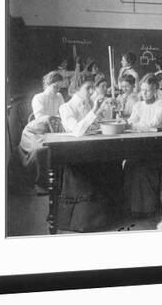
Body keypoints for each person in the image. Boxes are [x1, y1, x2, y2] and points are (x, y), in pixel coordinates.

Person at [58, 74, 124, 231]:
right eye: (88, 88)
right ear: (76, 89)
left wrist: (105, 109)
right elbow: (77, 131)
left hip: (92, 151)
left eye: (92, 87)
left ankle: (109, 215)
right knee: (94, 169)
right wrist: (94, 110)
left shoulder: (88, 105)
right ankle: (87, 220)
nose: (91, 91)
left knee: (114, 163)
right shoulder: (66, 107)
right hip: (75, 156)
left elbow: (96, 126)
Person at [124, 73, 162, 217]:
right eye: (142, 90)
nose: (143, 93)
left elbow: (153, 124)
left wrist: (135, 125)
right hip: (140, 145)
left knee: (143, 168)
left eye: (147, 90)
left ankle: (148, 208)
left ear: (155, 89)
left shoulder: (160, 104)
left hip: (156, 146)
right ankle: (133, 207)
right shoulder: (138, 105)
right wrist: (126, 123)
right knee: (130, 165)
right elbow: (131, 121)